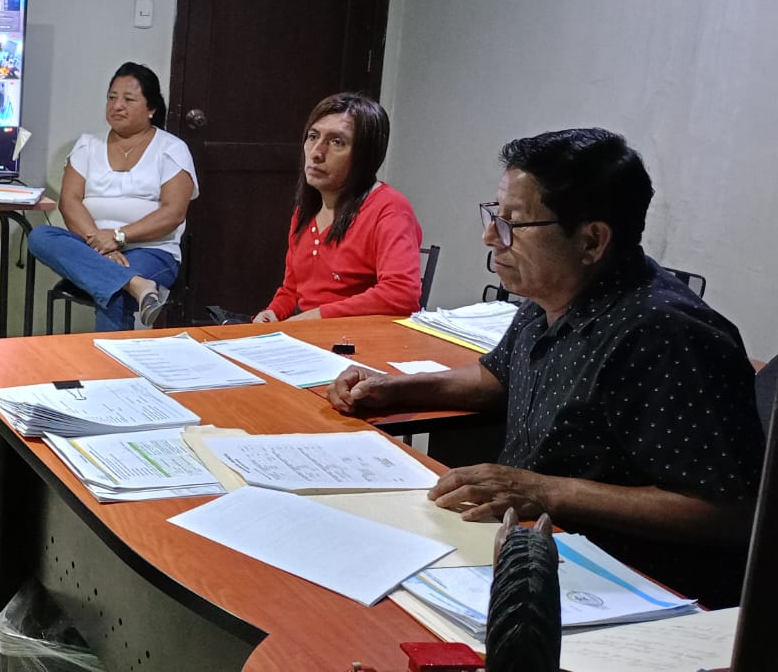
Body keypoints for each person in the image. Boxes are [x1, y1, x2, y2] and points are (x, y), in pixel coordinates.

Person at [326, 128, 765, 608]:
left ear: (591, 240)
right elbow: (497, 377)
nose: (490, 236)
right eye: (495, 215)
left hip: (627, 588)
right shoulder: (550, 296)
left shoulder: (666, 334)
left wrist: (545, 492)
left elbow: (729, 512)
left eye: (514, 223)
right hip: (526, 551)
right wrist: (395, 389)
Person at [27, 62, 198, 331]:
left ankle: (106, 360)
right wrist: (100, 244)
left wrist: (119, 237)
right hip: (91, 244)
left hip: (152, 250)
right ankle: (138, 285)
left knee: (114, 292)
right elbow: (69, 202)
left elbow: (173, 213)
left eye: (129, 99)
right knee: (40, 236)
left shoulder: (172, 149)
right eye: (112, 97)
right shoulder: (88, 145)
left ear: (151, 108)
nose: (117, 106)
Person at [253, 92, 422, 322]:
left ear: (365, 155)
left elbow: (401, 293)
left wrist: (316, 317)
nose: (316, 153)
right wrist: (273, 312)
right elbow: (292, 289)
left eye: (336, 142)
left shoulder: (389, 208)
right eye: (313, 136)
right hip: (305, 333)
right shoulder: (305, 212)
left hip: (354, 337)